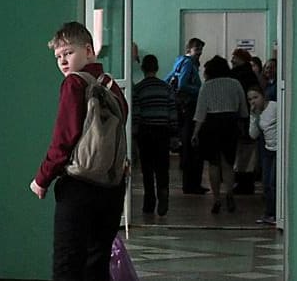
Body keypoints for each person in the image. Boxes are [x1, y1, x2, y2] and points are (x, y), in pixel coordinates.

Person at [29, 21, 128, 281]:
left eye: (68, 53)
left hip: (79, 186)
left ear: (89, 51)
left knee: (68, 264)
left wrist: (42, 178)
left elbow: (65, 137)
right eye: (58, 57)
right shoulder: (111, 85)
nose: (63, 61)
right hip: (112, 186)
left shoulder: (74, 83)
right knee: (97, 263)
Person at [191, 55, 248, 214]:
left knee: (213, 164)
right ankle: (229, 194)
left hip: (211, 125)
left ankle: (216, 198)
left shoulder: (207, 86)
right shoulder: (235, 83)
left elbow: (200, 113)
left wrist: (195, 133)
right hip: (230, 124)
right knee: (228, 163)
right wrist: (243, 126)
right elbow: (243, 109)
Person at [132, 54, 177, 216]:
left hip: (146, 132)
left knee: (147, 168)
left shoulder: (138, 89)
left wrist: (134, 134)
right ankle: (163, 194)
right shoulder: (166, 88)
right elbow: (172, 111)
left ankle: (149, 202)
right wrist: (174, 133)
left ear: (143, 68)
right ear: (157, 68)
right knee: (162, 167)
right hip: (163, 131)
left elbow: (136, 114)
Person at [165, 37, 208, 194]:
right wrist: (200, 91)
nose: (200, 52)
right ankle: (192, 184)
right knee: (192, 147)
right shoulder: (189, 64)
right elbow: (182, 85)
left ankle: (190, 183)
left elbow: (167, 79)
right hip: (189, 108)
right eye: (197, 49)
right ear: (190, 49)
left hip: (182, 108)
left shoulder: (179, 62)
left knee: (187, 147)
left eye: (201, 49)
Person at [229, 48, 260, 195]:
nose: (232, 60)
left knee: (243, 151)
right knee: (246, 151)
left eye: (235, 57)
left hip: (242, 117)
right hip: (247, 116)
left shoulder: (238, 75)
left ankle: (243, 182)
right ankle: (245, 182)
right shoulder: (249, 75)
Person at [247, 85, 277, 225]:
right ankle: (269, 213)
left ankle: (276, 214)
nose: (253, 101)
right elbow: (253, 134)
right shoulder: (257, 114)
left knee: (273, 183)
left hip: (277, 149)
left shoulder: (274, 107)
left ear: (263, 96)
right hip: (268, 150)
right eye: (250, 99)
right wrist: (253, 116)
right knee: (266, 183)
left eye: (256, 97)